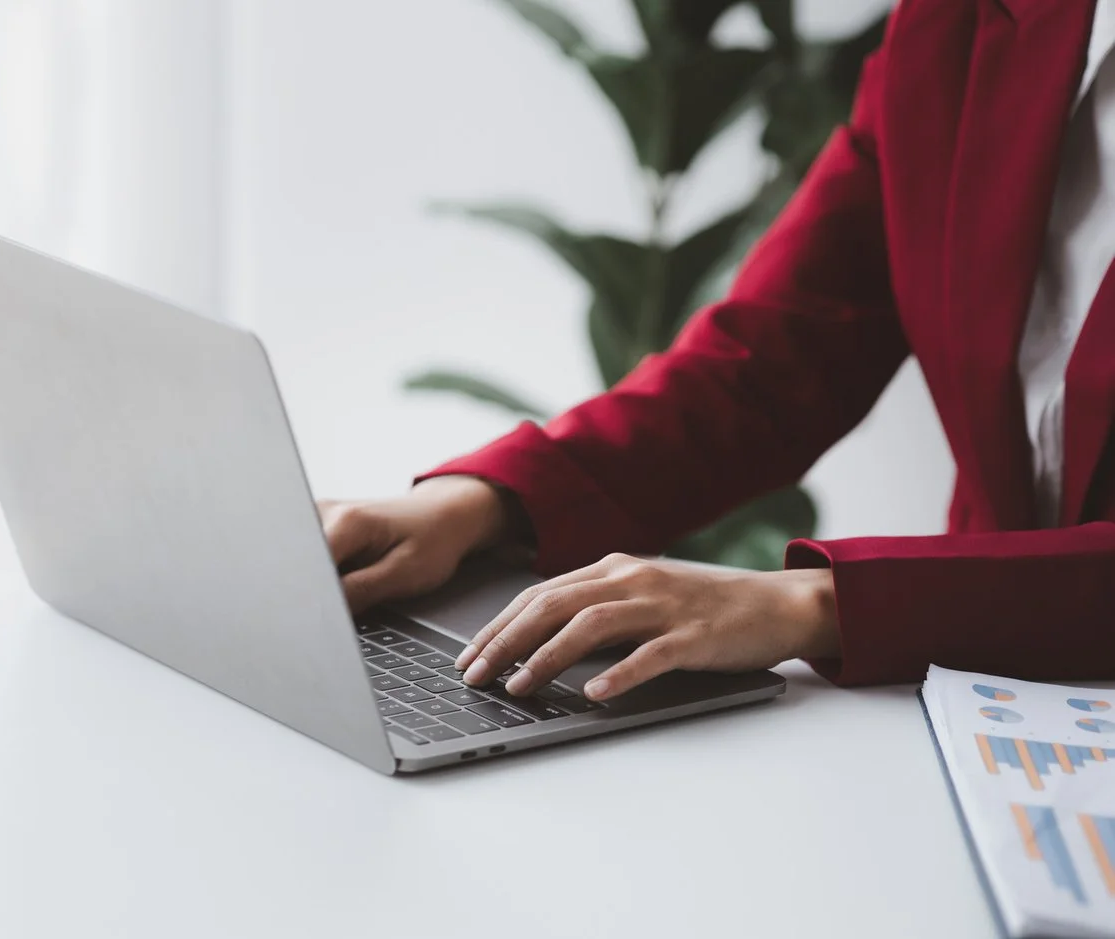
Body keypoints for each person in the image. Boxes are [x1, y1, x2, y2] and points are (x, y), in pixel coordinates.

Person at [323, 0, 1115, 704]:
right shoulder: (966, 20)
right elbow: (778, 350)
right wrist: (489, 500)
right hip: (985, 710)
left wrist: (812, 604)